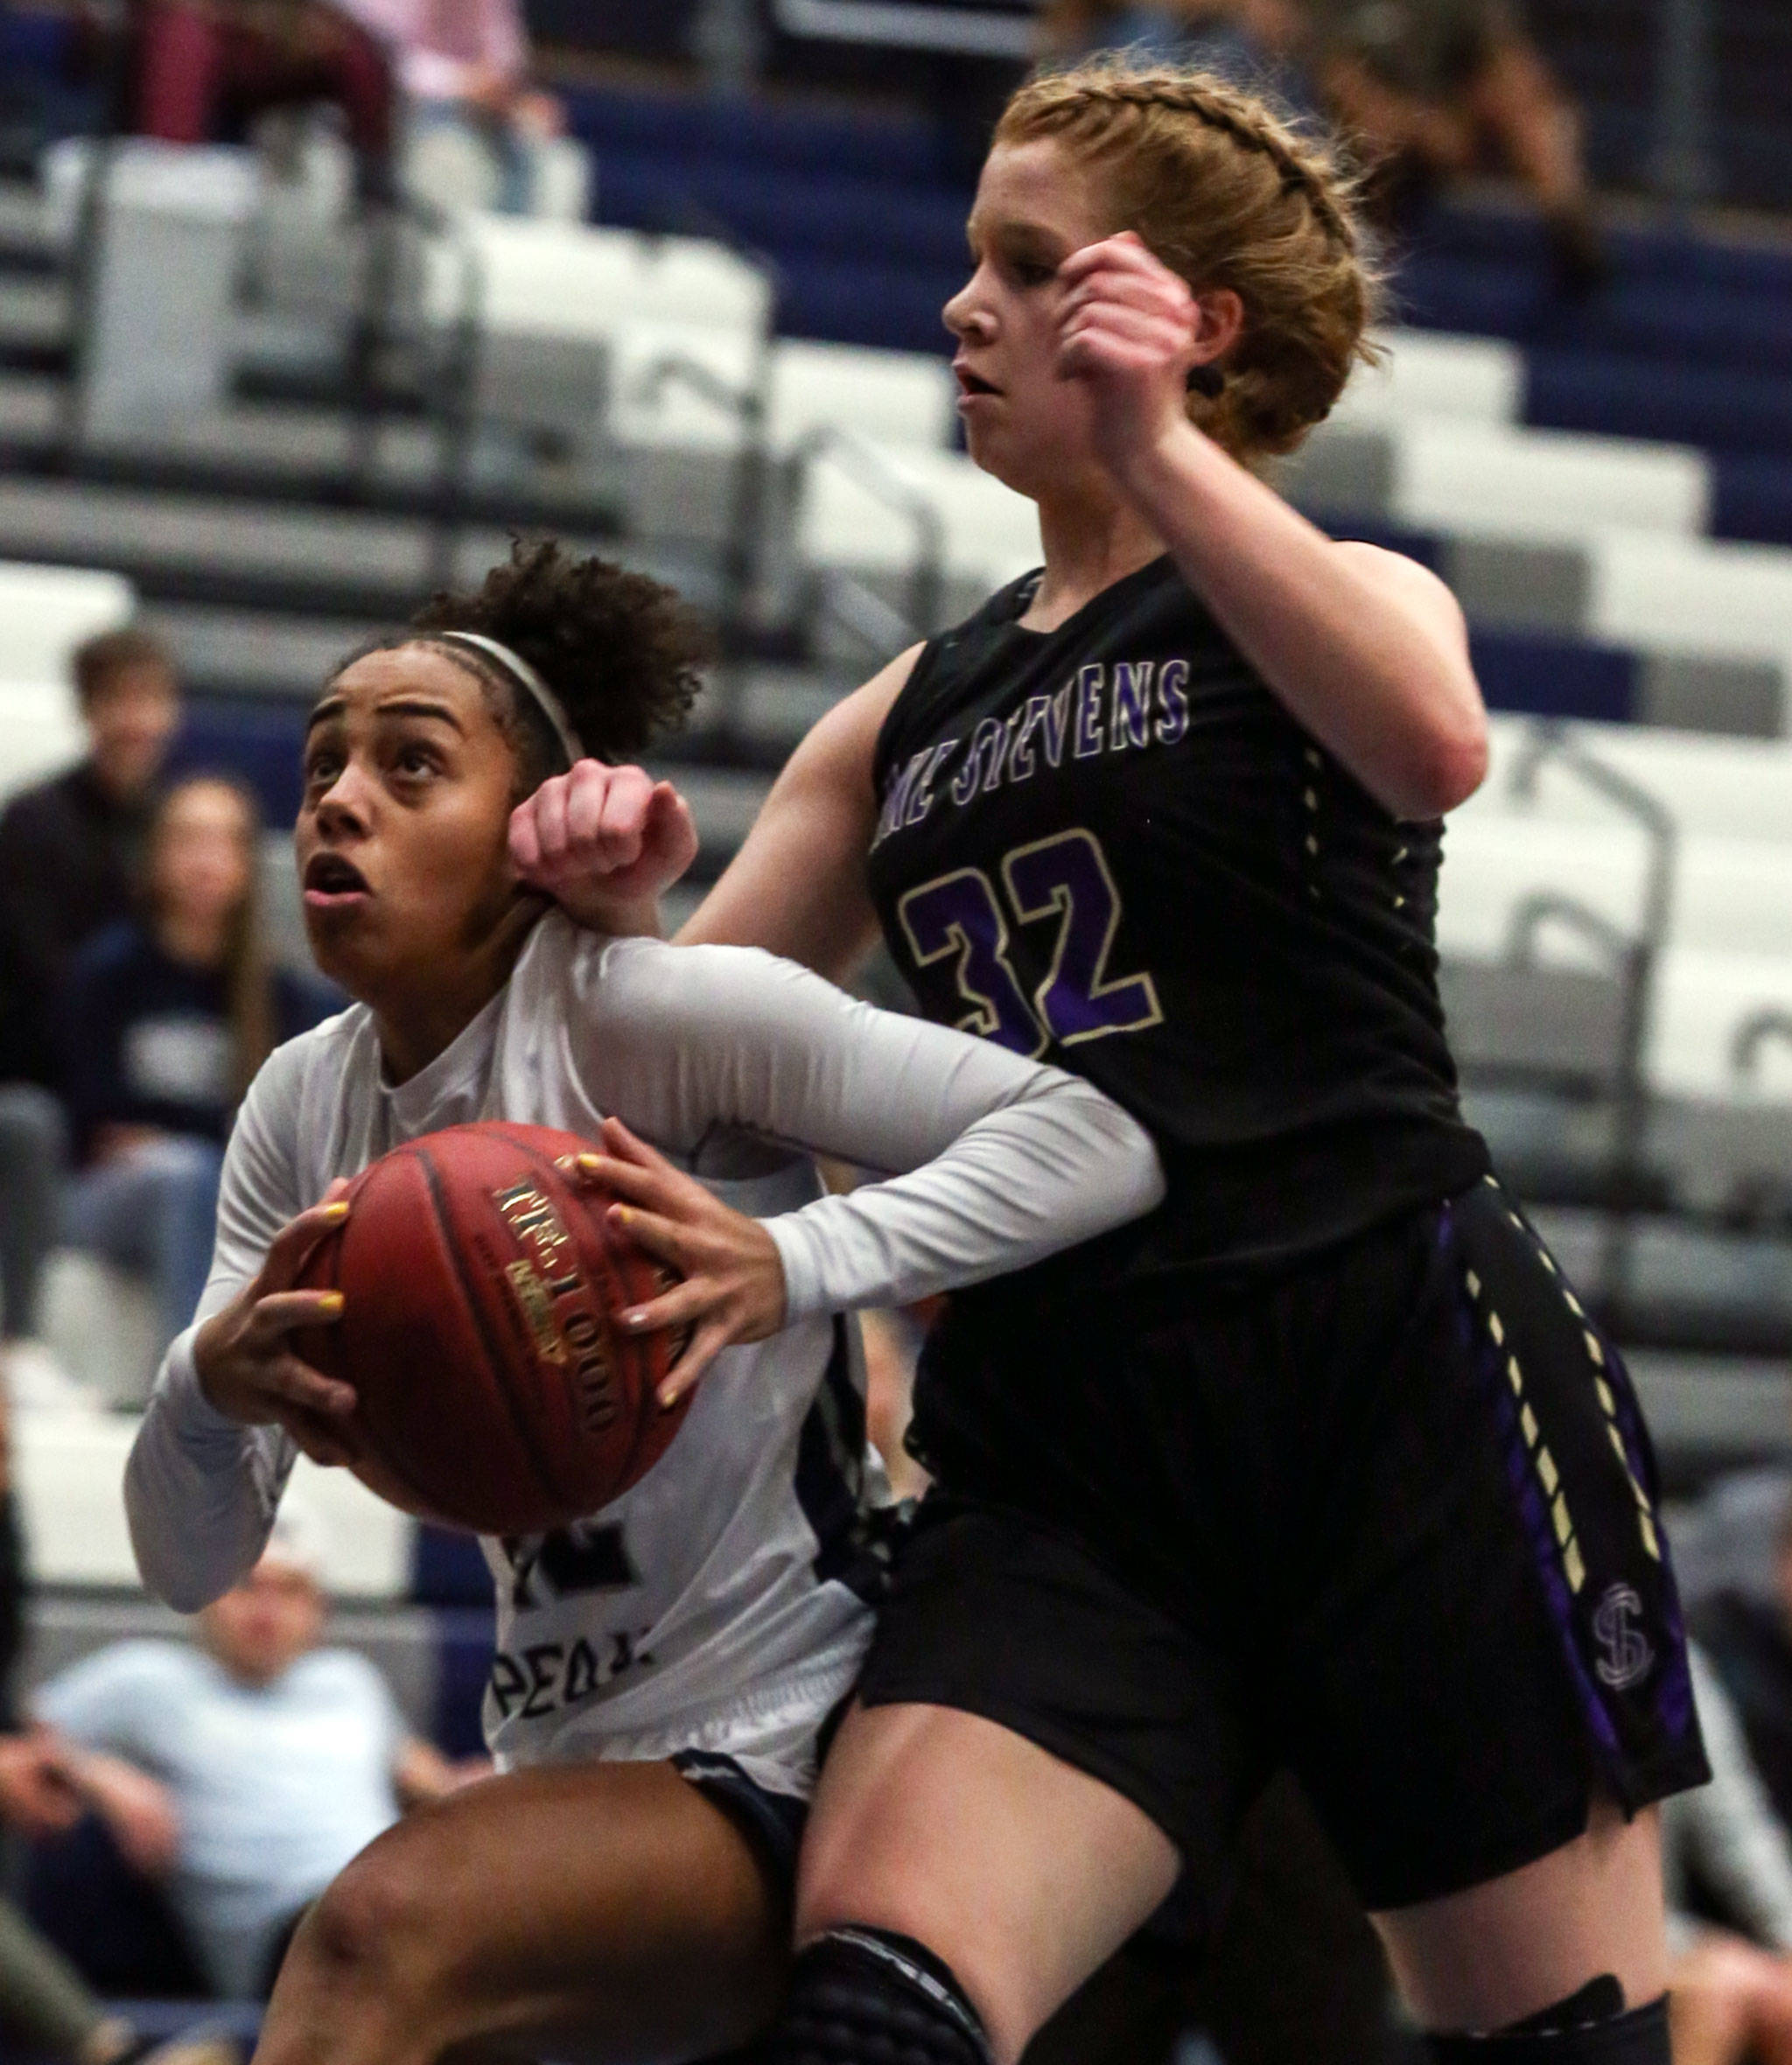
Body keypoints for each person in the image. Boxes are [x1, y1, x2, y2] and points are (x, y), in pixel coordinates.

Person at [514, 58, 1707, 2065]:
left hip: (1381, 1379)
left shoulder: (1342, 597)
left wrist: (1158, 455)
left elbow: (1430, 745)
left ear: (1185, 321)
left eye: (1023, 265)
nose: (961, 306)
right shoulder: (905, 713)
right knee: (867, 2011)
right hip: (1067, 1447)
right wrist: (604, 919)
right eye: (966, 258)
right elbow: (658, 1082)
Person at [122, 539, 1164, 2062]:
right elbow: (185, 1562)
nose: (338, 799)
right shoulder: (300, 1104)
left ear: (522, 834)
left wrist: (791, 1262)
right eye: (323, 763)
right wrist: (211, 1384)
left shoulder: (648, 1019)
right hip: (565, 1762)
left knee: (372, 1934)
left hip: (794, 1737)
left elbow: (1099, 1139)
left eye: (412, 769)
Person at [33, 1502, 480, 2001]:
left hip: (397, 1906)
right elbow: (23, 1743)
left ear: (318, 1608)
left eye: (289, 1590)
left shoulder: (349, 1681)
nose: (267, 1611)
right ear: (203, 1597)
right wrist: (97, 1775)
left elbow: (433, 1781)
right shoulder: (147, 1680)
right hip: (294, 1942)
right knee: (376, 1926)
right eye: (246, 1586)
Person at [58, 774, 334, 1372]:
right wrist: (204, 1135)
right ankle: (191, 1376)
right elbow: (90, 1120)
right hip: (101, 1197)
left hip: (216, 1184)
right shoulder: (105, 974)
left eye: (222, 842)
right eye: (188, 840)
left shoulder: (279, 997)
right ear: (156, 857)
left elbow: (279, 1134)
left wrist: (172, 1132)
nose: (205, 860)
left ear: (246, 864)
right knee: (188, 1176)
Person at [0, 627, 179, 1368]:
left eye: (152, 701)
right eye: (119, 702)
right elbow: (52, 998)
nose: (137, 721)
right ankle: (21, 1342)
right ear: (87, 710)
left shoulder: (174, 830)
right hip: (47, 1086)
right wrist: (111, 1111)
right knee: (30, 1125)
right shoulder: (34, 825)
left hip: (133, 1093)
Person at [1310, 0, 1605, 289]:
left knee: (1525, 102)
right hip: (1370, 131)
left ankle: (1569, 228)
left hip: (1445, 119)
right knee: (1369, 118)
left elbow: (1503, 58)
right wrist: (1423, 127)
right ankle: (1364, 272)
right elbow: (1338, 76)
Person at [133, 0, 396, 201]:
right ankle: (172, 199)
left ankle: (374, 186)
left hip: (268, 55)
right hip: (184, 66)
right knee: (185, 44)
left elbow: (339, 37)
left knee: (360, 57)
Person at [338, 0, 569, 217]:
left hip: (480, 112)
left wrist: (518, 98)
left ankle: (516, 249)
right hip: (402, 111)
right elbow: (378, 62)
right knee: (449, 151)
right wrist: (464, 84)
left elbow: (507, 60)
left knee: (542, 142)